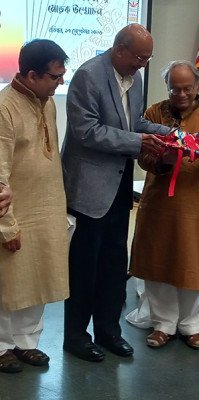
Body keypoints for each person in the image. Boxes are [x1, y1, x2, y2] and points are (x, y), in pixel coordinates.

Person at [61, 23, 170, 362]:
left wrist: (170, 134)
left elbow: (133, 124)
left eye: (148, 59)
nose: (143, 65)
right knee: (85, 267)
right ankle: (76, 337)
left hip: (120, 185)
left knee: (113, 263)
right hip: (89, 188)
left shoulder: (135, 78)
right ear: (119, 49)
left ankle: (108, 332)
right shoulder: (88, 76)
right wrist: (138, 142)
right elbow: (86, 131)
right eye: (139, 58)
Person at [129, 60, 199, 350]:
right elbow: (142, 153)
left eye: (187, 88)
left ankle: (190, 324)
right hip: (159, 201)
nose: (182, 94)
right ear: (167, 87)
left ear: (198, 85)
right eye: (175, 89)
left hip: (193, 202)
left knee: (191, 261)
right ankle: (163, 323)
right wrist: (162, 158)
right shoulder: (154, 113)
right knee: (157, 259)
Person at [0, 39, 69, 373]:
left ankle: (26, 342)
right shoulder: (5, 108)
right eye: (55, 76)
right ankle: (1, 346)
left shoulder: (48, 102)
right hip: (16, 214)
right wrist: (7, 226)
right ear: (31, 75)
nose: (61, 82)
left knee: (38, 275)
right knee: (8, 282)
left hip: (47, 209)